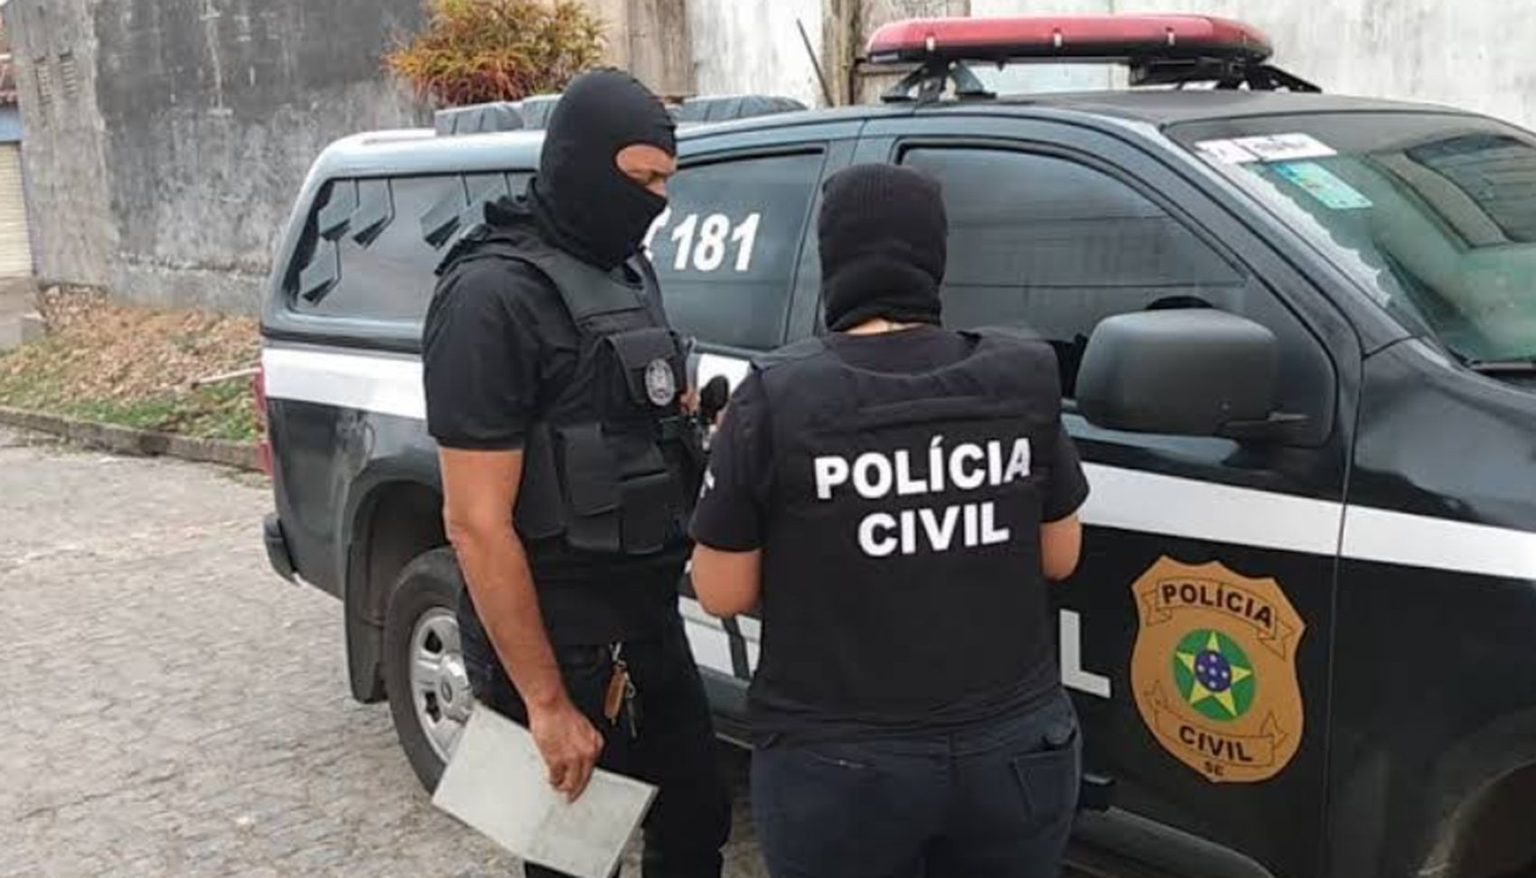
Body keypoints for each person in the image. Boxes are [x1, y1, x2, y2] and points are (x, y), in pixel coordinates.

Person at [689, 164, 1089, 878]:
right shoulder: (1022, 373)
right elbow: (1059, 556)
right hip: (1012, 754)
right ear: (934, 255)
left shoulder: (776, 395)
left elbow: (721, 591)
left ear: (833, 257)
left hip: (841, 767)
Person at [422, 69, 730, 878]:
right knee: (570, 863)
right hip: (557, 640)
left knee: (696, 826)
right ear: (582, 164)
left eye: (665, 181)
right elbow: (475, 522)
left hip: (647, 621)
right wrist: (547, 703)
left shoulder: (627, 269)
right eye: (641, 180)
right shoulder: (489, 295)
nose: (658, 200)